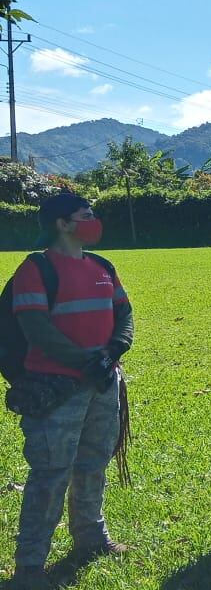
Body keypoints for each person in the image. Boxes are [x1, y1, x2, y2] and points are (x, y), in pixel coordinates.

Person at [7, 194, 134, 589]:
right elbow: (36, 328)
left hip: (102, 382)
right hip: (58, 387)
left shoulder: (102, 267)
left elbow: (124, 314)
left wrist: (112, 352)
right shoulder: (36, 268)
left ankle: (91, 538)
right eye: (85, 216)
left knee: (93, 463)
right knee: (50, 474)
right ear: (62, 224)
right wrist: (84, 361)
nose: (93, 221)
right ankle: (30, 566)